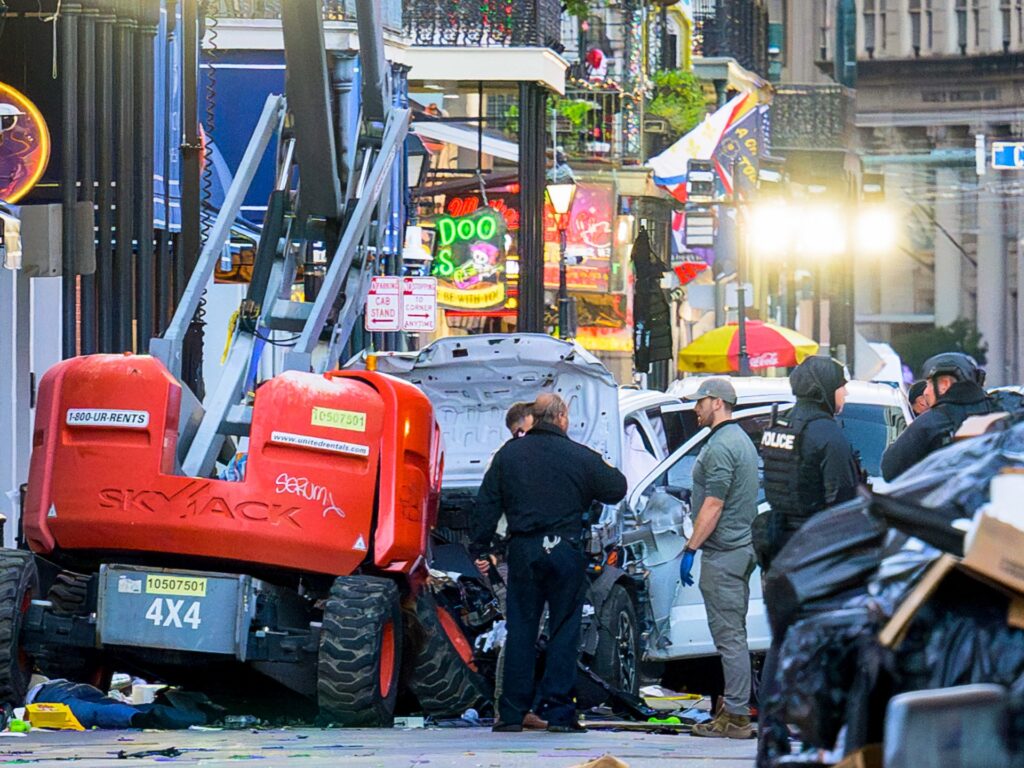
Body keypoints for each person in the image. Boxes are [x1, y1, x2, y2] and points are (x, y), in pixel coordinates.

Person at [470, 393, 627, 733]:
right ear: (562, 418)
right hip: (565, 550)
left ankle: (511, 714)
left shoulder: (508, 455)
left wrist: (481, 547)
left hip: (524, 551)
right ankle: (559, 714)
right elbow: (616, 488)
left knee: (521, 631)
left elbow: (485, 504)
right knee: (564, 630)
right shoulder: (578, 456)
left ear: (535, 418)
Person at [678, 379, 759, 740]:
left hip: (724, 552)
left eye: (701, 402)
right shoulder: (738, 439)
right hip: (737, 548)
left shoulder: (722, 445)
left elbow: (714, 504)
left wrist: (691, 548)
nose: (696, 409)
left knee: (729, 637)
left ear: (717, 402)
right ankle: (734, 710)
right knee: (733, 634)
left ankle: (738, 717)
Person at [474, 401, 547, 732]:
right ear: (522, 427)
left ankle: (519, 705)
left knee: (526, 632)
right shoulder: (511, 459)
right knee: (519, 631)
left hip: (513, 555)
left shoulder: (515, 457)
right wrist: (488, 551)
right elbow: (493, 507)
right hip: (506, 558)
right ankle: (509, 708)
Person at [757, 356, 860, 568]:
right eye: (841, 386)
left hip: (778, 543)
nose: (846, 393)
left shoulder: (782, 423)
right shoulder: (827, 432)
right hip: (816, 547)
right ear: (826, 387)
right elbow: (843, 497)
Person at [880, 353, 995, 482]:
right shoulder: (1003, 411)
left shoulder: (929, 424)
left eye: (929, 383)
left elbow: (890, 469)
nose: (925, 392)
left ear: (944, 385)